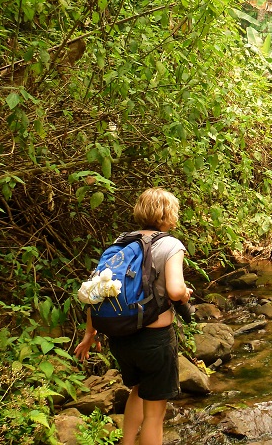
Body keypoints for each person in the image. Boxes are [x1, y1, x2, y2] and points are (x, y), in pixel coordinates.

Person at [75, 188, 193, 445]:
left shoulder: (121, 243)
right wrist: (185, 295)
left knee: (137, 390)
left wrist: (89, 334)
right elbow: (174, 290)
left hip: (121, 337)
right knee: (155, 412)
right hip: (154, 340)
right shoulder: (170, 244)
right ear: (167, 214)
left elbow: (97, 292)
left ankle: (126, 442)